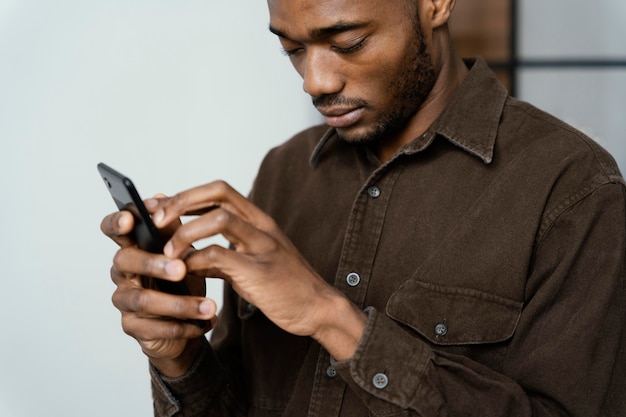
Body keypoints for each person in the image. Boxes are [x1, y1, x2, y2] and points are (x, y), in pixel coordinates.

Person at [100, 0, 626, 416]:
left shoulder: (574, 189)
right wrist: (180, 358)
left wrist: (332, 318)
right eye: (291, 49)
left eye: (348, 43)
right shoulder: (285, 171)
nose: (315, 81)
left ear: (436, 3)